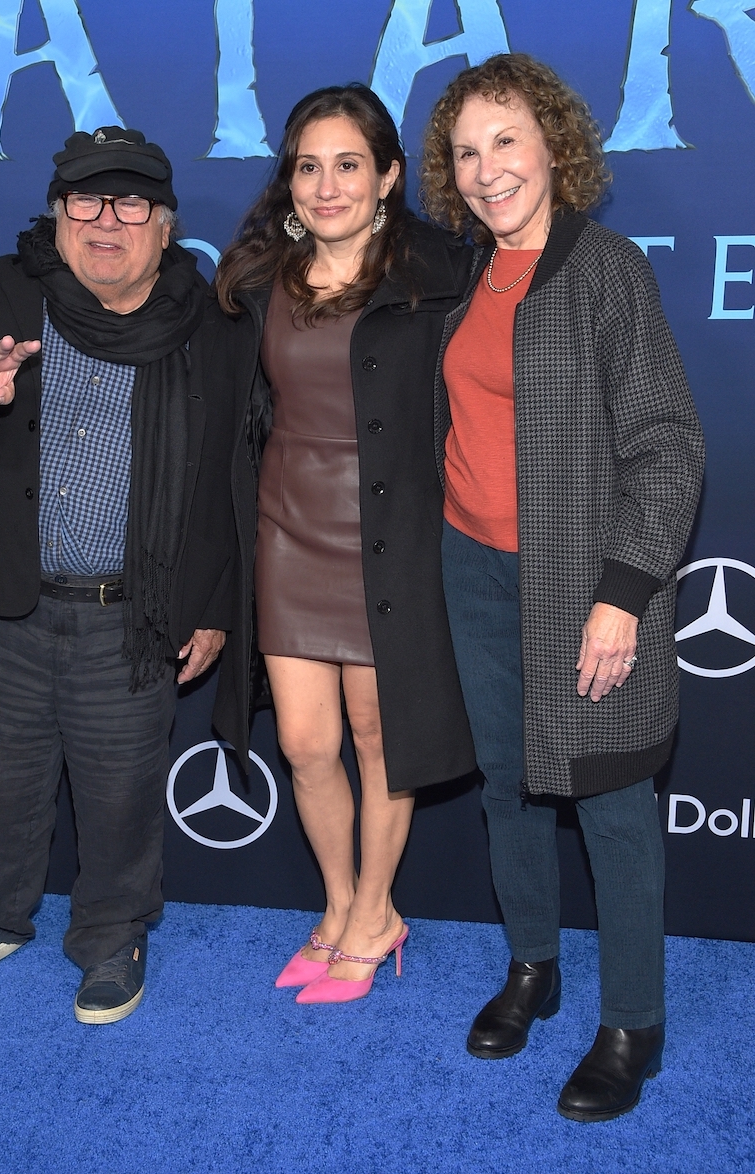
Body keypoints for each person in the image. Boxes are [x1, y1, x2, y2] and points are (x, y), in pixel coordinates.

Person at [420, 54, 705, 1119]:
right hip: (472, 566)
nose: (489, 168)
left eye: (506, 140)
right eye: (466, 150)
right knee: (507, 780)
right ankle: (532, 967)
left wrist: (622, 592)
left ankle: (634, 1023)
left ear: (553, 145)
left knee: (614, 803)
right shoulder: (465, 272)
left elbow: (669, 444)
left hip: (584, 581)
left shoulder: (606, 270)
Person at [0, 126, 238, 1024]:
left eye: (131, 204)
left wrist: (209, 605)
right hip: (12, 601)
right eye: (84, 201)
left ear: (165, 226)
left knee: (122, 792)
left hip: (131, 614)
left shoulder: (207, 325)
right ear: (56, 216)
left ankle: (112, 933)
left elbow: (230, 482)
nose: (105, 221)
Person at [214, 84, 475, 1005]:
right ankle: (336, 905)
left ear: (389, 176)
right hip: (287, 533)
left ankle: (374, 913)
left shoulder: (441, 275)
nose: (326, 187)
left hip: (390, 540)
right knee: (304, 741)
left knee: (377, 736)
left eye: (349, 165)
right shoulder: (253, 280)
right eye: (308, 167)